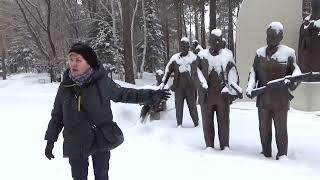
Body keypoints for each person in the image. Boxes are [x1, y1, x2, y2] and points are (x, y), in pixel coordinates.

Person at [44, 42, 171, 180]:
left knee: (102, 176)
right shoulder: (65, 86)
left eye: (78, 60)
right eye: (71, 59)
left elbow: (125, 94)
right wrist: (51, 139)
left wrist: (151, 95)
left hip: (100, 138)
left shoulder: (102, 82)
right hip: (75, 141)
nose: (73, 64)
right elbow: (57, 115)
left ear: (89, 63)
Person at [246, 22, 301, 160]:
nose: (269, 39)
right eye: (268, 36)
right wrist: (250, 86)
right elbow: (253, 73)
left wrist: (292, 81)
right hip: (263, 99)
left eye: (273, 36)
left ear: (280, 37)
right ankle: (265, 153)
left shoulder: (289, 53)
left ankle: (282, 155)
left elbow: (297, 71)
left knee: (281, 129)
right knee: (264, 129)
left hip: (281, 100)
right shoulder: (259, 54)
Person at [194, 29, 240, 150]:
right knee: (207, 122)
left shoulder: (228, 56)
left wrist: (233, 90)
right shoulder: (202, 56)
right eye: (215, 41)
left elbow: (233, 73)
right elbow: (195, 72)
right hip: (207, 96)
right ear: (210, 41)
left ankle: (225, 145)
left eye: (219, 41)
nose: (217, 43)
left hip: (222, 96)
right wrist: (202, 84)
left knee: (224, 122)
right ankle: (209, 145)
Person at [160, 37, 199, 127]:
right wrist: (163, 82)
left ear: (188, 46)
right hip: (178, 87)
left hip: (191, 87)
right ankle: (179, 124)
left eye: (185, 46)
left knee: (192, 106)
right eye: (181, 46)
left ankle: (197, 124)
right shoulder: (175, 58)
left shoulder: (194, 58)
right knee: (178, 107)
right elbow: (168, 71)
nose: (183, 48)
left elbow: (201, 71)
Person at [298, 0, 320, 73]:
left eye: (317, 8)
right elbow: (301, 42)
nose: (316, 10)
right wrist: (308, 31)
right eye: (314, 8)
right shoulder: (306, 22)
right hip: (308, 60)